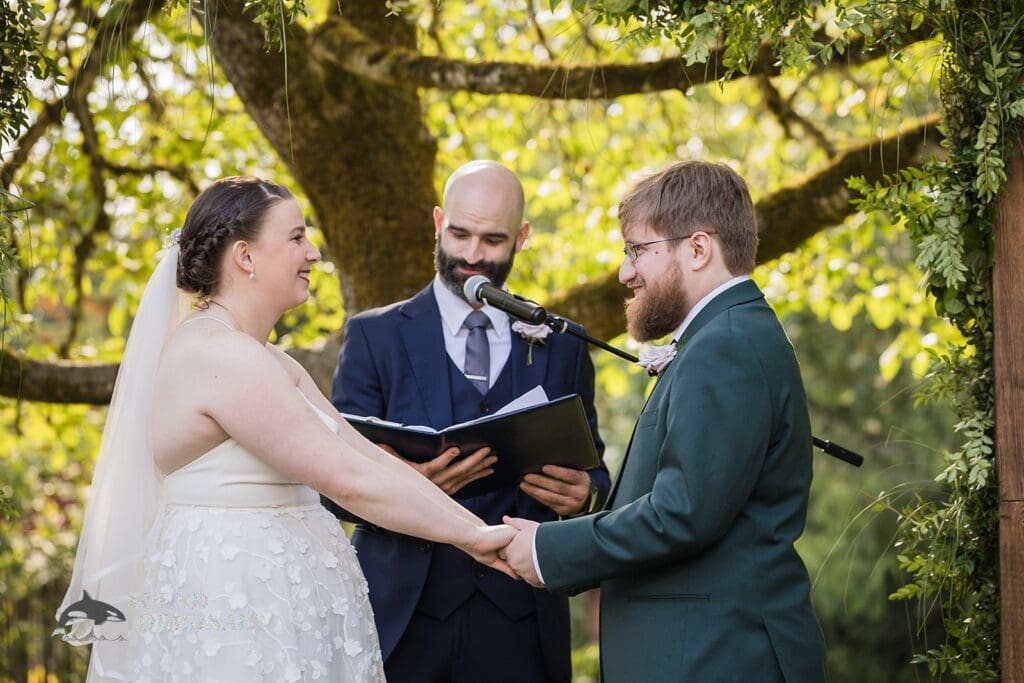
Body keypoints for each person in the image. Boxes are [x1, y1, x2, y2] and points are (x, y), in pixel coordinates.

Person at [56, 176, 515, 682]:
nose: (314, 253)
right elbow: (347, 480)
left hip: (282, 606)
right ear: (246, 256)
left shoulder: (270, 360)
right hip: (237, 610)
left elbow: (369, 459)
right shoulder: (219, 355)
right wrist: (472, 538)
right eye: (296, 237)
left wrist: (477, 530)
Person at [502, 160, 828, 682]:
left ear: (697, 249)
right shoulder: (725, 336)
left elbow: (682, 513)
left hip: (718, 658)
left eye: (637, 251)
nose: (624, 272)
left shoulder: (727, 346)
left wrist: (546, 549)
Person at [326, 160, 610, 682]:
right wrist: (402, 488)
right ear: (438, 222)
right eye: (459, 234)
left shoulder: (563, 344)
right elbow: (333, 483)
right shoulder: (374, 337)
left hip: (521, 620)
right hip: (402, 617)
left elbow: (594, 469)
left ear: (521, 238)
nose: (472, 256)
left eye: (493, 240)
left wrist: (584, 496)